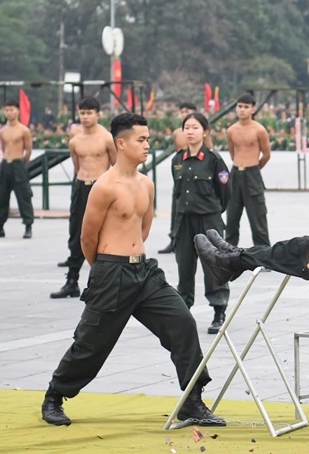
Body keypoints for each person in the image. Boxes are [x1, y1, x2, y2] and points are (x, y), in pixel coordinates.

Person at [40, 112, 225, 428]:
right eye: (141, 139)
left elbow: (144, 228)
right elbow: (87, 237)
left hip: (145, 273)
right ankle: (55, 395)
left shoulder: (146, 184)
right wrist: (104, 270)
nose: (147, 145)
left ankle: (192, 401)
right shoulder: (104, 186)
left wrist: (133, 257)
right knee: (91, 344)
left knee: (181, 322)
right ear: (121, 143)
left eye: (148, 139)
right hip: (111, 273)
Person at [171, 112, 231, 334]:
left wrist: (213, 213)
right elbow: (176, 196)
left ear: (205, 132)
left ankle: (218, 311)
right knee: (184, 266)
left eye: (195, 127)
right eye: (186, 127)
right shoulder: (177, 161)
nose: (190, 131)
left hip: (209, 220)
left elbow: (225, 192)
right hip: (184, 221)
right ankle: (183, 310)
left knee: (213, 266)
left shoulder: (214, 160)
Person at [51, 97, 116, 299]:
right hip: (81, 187)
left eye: (89, 113)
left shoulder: (106, 138)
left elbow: (116, 166)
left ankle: (102, 282)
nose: (85, 117)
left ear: (98, 114)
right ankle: (72, 280)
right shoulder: (75, 141)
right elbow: (77, 167)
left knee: (103, 234)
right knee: (76, 233)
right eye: (82, 113)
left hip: (100, 187)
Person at [225, 93, 271, 248]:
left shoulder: (259, 130)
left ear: (252, 109)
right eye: (239, 106)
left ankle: (263, 253)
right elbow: (232, 153)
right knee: (231, 217)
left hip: (252, 173)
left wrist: (255, 169)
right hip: (235, 173)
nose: (242, 110)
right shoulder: (231, 130)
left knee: (258, 218)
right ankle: (228, 252)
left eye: (246, 107)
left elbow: (266, 154)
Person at [0, 99, 35, 239]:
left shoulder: (24, 130)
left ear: (18, 111)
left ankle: (28, 225)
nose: (9, 113)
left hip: (18, 163)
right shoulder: (2, 131)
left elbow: (29, 150)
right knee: (2, 196)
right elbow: (2, 148)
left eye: (12, 110)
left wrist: (21, 164)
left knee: (23, 196)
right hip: (5, 165)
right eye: (7, 110)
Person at [158, 102, 199, 254]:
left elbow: (209, 151)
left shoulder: (200, 132)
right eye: (182, 111)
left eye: (187, 111)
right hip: (181, 173)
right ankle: (174, 239)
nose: (184, 114)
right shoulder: (177, 133)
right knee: (176, 206)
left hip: (196, 172)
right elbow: (177, 156)